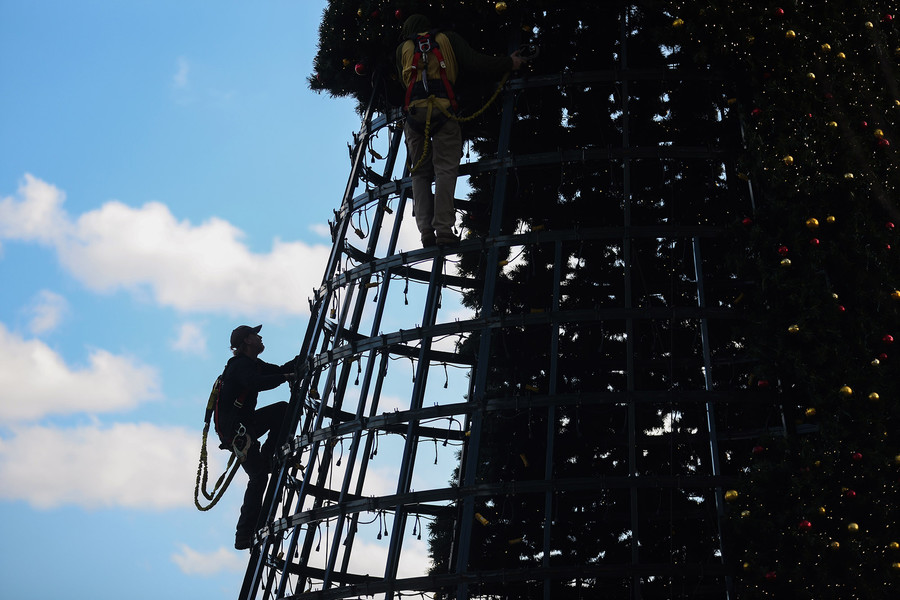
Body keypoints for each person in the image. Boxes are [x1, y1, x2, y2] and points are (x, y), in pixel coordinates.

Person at [397, 14, 527, 248]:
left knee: (419, 174)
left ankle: (425, 230)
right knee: (445, 170)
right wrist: (509, 63)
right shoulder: (449, 39)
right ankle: (443, 229)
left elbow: (402, 81)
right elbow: (476, 63)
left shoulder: (403, 48)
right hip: (444, 112)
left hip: (414, 116)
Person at [214, 324, 299, 550]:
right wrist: (286, 376)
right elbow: (256, 383)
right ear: (248, 341)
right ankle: (244, 534)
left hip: (245, 426)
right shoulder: (240, 366)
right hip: (237, 432)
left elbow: (277, 371)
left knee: (282, 410)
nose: (260, 337)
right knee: (258, 477)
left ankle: (269, 455)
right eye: (256, 334)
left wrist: (301, 361)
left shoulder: (254, 365)